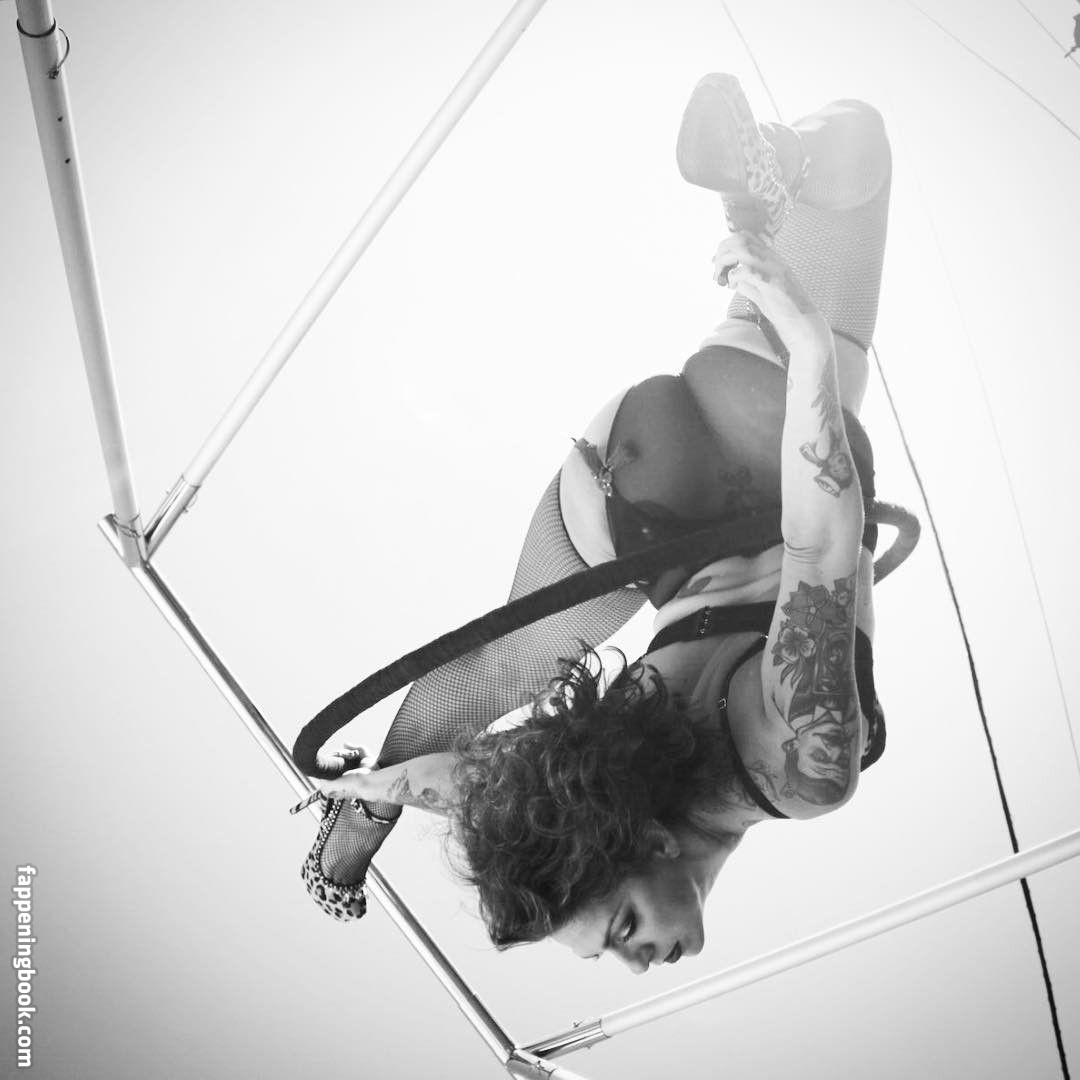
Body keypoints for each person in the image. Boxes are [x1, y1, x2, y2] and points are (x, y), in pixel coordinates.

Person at [298, 74, 893, 973]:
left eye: (622, 935)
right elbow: (458, 778)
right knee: (503, 669)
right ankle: (777, 166)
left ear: (648, 844)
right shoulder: (575, 794)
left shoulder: (805, 768)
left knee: (862, 146)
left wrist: (809, 343)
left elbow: (820, 543)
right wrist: (367, 807)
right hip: (632, 484)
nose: (642, 963)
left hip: (760, 473)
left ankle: (791, 164)